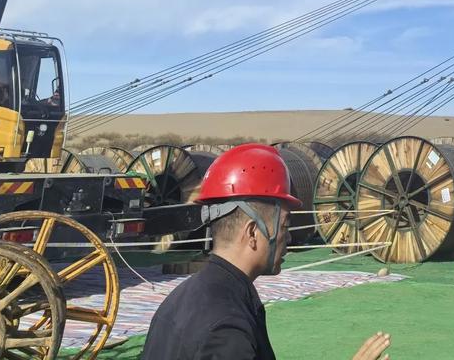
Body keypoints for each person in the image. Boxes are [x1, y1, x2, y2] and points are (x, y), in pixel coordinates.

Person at [141, 143, 390, 360]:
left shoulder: (184, 296)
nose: (289, 237)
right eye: (284, 226)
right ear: (252, 232)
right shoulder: (227, 330)